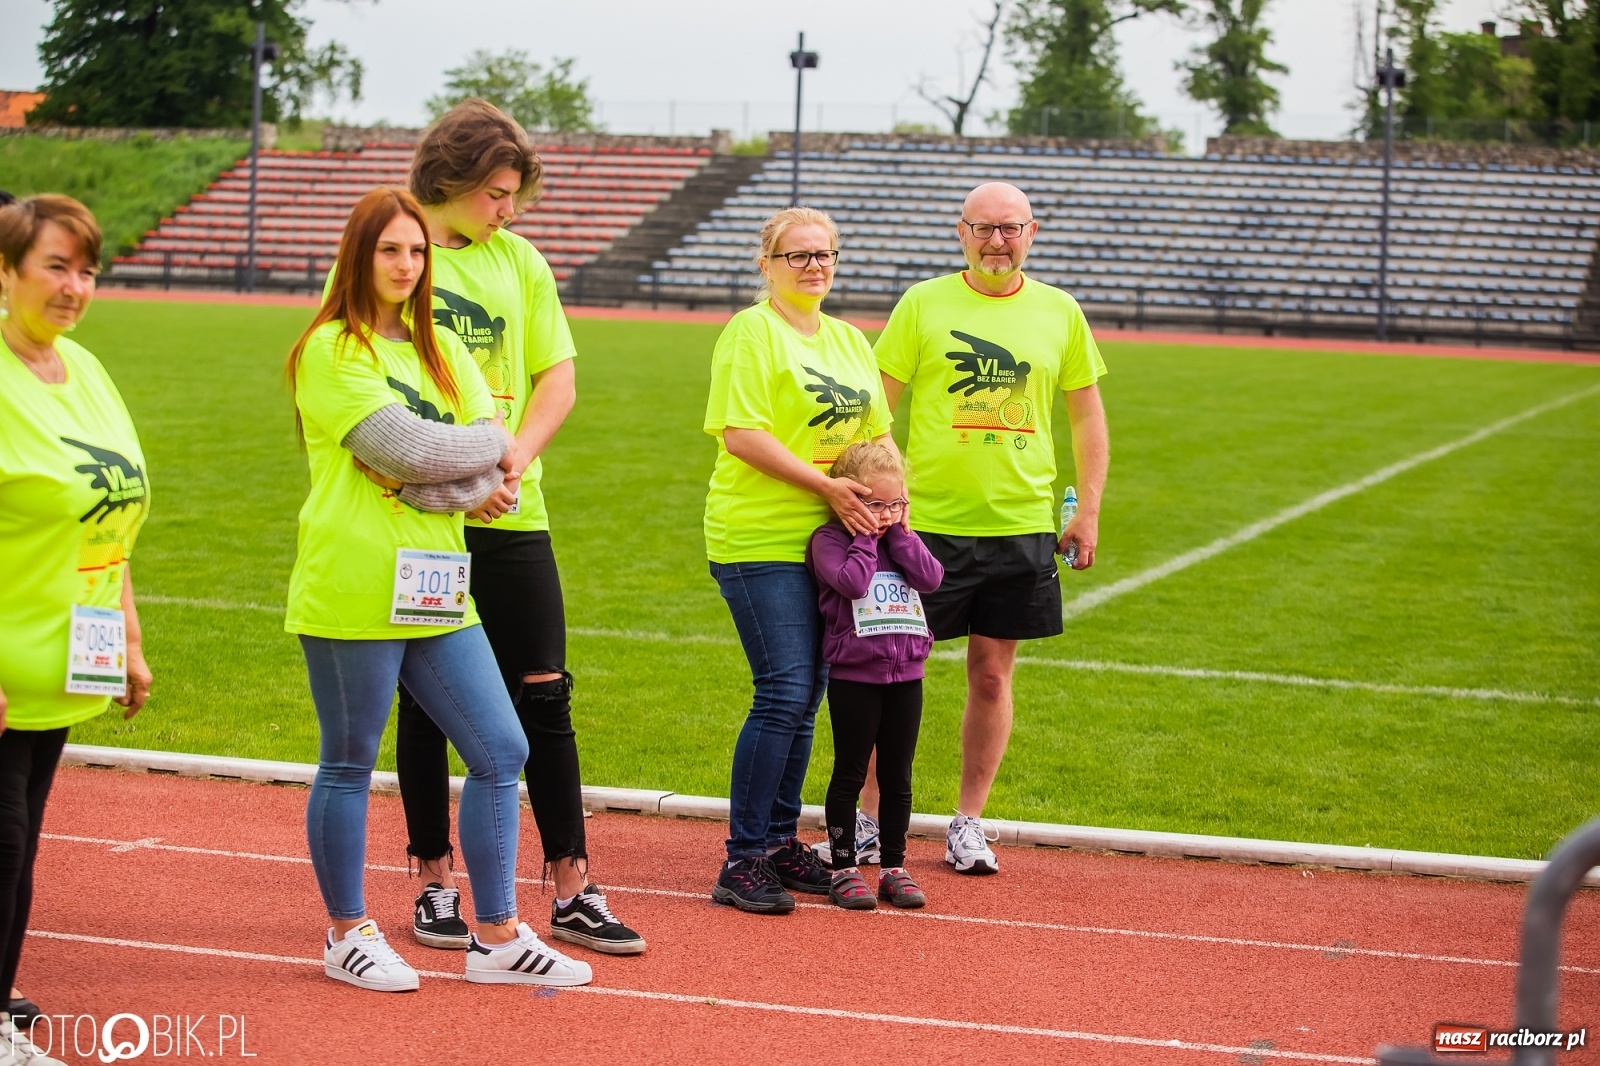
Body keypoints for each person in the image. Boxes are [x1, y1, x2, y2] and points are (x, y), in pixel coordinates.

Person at [286, 185, 591, 991]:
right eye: (390, 249)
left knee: (501, 749)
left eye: (417, 250)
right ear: (359, 255)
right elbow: (411, 450)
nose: (407, 263)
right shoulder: (332, 350)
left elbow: (480, 450)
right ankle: (347, 931)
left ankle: (496, 937)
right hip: (354, 576)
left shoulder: (442, 349)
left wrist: (461, 459)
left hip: (435, 584)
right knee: (349, 760)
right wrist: (466, 458)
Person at [366, 99, 644, 955]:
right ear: (447, 182)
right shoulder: (403, 256)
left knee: (545, 690)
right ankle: (432, 881)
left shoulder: (520, 261)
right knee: (425, 698)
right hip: (425, 519)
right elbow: (380, 385)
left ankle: (573, 884)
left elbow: (556, 377)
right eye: (494, 193)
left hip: (516, 508)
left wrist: (513, 459)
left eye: (514, 194)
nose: (508, 210)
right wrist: (460, 475)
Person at [868, 181, 1109, 876]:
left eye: (1010, 229)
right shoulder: (924, 303)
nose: (997, 241)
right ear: (960, 231)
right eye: (983, 229)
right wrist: (886, 497)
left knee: (993, 676)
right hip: (925, 525)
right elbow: (878, 407)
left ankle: (968, 822)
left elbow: (1087, 417)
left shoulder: (1060, 312)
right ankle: (867, 820)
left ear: (1033, 231)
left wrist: (1086, 508)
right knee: (888, 674)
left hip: (1020, 525)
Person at [703, 206, 894, 914]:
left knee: (808, 694)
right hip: (760, 536)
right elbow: (741, 434)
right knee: (783, 689)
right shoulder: (752, 332)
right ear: (768, 263)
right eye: (798, 255)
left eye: (825, 255)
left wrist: (890, 501)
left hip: (835, 542)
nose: (814, 266)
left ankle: (780, 842)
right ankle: (743, 857)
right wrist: (826, 487)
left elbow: (876, 438)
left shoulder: (849, 340)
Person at [0, 194, 147, 1065]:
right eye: (56, 265)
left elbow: (112, 519)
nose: (75, 286)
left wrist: (127, 638)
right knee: (3, 844)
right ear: (6, 271)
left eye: (87, 268)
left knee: (21, 844)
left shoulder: (84, 369)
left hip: (67, 657)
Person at [806, 442, 942, 911]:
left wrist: (902, 535)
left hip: (907, 673)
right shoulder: (828, 540)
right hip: (854, 676)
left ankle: (893, 866)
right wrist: (865, 538)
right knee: (849, 771)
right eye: (876, 505)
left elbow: (931, 578)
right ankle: (844, 867)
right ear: (851, 501)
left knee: (897, 774)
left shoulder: (902, 539)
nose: (887, 515)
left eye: (896, 504)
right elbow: (852, 583)